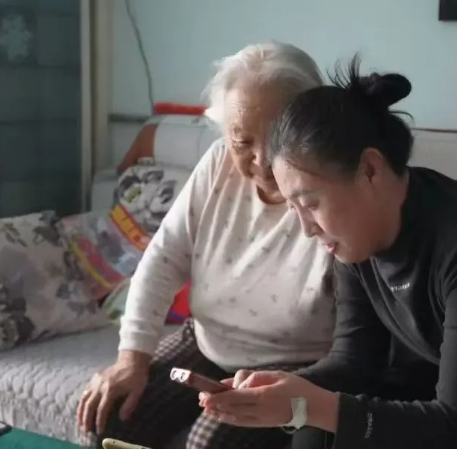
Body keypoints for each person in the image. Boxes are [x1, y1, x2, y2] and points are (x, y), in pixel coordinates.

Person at [198, 57, 457, 449]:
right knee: (313, 428)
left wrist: (314, 403)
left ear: (370, 169)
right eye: (293, 207)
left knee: (324, 414)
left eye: (310, 203)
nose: (306, 228)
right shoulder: (355, 238)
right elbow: (354, 363)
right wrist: (278, 388)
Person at [77, 42, 336, 449]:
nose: (262, 159)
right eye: (242, 141)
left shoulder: (335, 187)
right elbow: (162, 260)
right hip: (207, 343)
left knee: (209, 444)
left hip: (296, 365)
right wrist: (131, 358)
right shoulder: (217, 163)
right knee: (106, 417)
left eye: (279, 138)